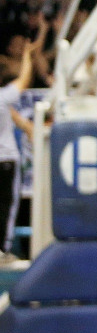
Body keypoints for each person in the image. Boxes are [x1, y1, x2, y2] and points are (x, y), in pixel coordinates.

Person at [0, 37, 35, 258]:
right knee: (7, 208)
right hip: (6, 159)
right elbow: (24, 80)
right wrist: (28, 56)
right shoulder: (3, 98)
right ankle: (3, 249)